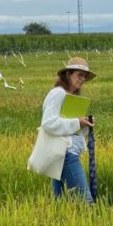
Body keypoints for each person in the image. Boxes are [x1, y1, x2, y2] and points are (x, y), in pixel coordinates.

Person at [39, 56, 97, 203]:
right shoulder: (58, 93)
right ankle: (89, 225)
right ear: (68, 74)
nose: (82, 79)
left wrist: (84, 123)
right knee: (85, 202)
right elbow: (48, 123)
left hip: (62, 152)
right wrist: (77, 122)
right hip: (65, 154)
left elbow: (69, 125)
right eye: (79, 75)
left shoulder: (69, 96)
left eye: (84, 76)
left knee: (60, 200)